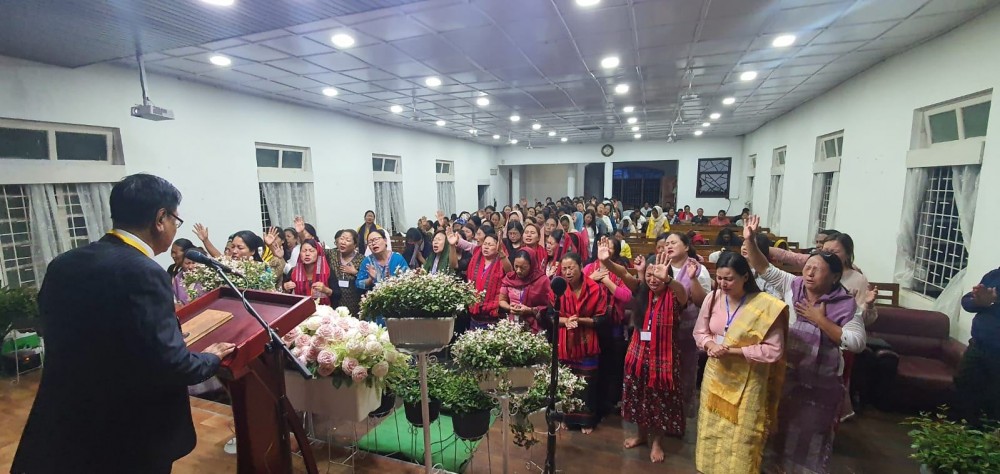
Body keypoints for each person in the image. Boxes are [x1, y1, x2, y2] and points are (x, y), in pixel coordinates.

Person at [13, 174, 235, 473]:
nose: (173, 229)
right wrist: (211, 357)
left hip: (66, 422)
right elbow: (173, 364)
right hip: (128, 432)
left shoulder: (64, 263)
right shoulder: (144, 272)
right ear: (160, 218)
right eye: (175, 221)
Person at [742, 216, 866, 474]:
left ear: (833, 277)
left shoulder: (844, 303)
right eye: (807, 267)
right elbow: (764, 268)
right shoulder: (793, 284)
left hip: (819, 383)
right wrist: (749, 240)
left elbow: (856, 342)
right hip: (787, 371)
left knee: (810, 431)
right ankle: (775, 466)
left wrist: (821, 320)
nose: (809, 273)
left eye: (816, 269)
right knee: (780, 423)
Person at [694, 252, 788, 474]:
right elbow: (700, 331)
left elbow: (774, 350)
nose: (723, 284)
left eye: (729, 279)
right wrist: (709, 345)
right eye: (720, 278)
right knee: (711, 429)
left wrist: (733, 351)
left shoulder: (765, 306)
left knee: (742, 436)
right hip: (716, 374)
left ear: (745, 277)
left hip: (749, 381)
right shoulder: (713, 298)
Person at [602, 249, 689, 463]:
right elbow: (624, 275)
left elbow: (684, 293)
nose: (653, 279)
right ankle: (641, 435)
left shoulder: (675, 295)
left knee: (659, 401)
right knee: (638, 398)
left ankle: (657, 441)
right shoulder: (643, 291)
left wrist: (667, 278)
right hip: (637, 355)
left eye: (657, 275)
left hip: (664, 360)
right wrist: (607, 261)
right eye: (649, 274)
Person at [661, 232, 711, 431]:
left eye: (674, 243)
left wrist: (693, 280)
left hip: (687, 328)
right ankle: (662, 417)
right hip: (662, 327)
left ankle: (678, 419)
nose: (669, 246)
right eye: (666, 244)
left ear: (686, 247)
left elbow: (702, 301)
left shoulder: (698, 269)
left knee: (684, 373)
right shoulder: (660, 263)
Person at [556, 252, 608, 433]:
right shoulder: (558, 287)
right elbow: (550, 315)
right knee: (567, 382)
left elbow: (602, 318)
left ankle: (586, 421)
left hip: (588, 340)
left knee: (587, 383)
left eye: (571, 268)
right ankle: (567, 419)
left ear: (580, 266)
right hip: (565, 341)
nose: (568, 272)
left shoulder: (595, 288)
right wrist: (566, 321)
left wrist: (580, 320)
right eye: (564, 269)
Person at [586, 238, 633, 417]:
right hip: (591, 324)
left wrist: (606, 280)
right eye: (602, 246)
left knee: (611, 367)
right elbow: (577, 288)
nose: (605, 249)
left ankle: (609, 402)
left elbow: (626, 297)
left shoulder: (619, 271)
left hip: (613, 327)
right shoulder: (589, 268)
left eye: (610, 247)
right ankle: (594, 403)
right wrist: (593, 278)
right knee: (593, 366)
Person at [955, 269, 1000, 427]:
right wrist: (978, 301)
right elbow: (967, 301)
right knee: (964, 386)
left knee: (993, 401)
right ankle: (964, 434)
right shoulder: (994, 275)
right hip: (978, 347)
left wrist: (995, 299)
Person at [459, 231, 510, 330]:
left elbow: (510, 273)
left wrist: (502, 254)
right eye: (485, 244)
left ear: (498, 247)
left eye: (490, 245)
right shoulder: (476, 257)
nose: (486, 247)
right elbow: (464, 244)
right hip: (474, 314)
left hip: (492, 317)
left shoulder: (501, 261)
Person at [356, 229, 408, 324]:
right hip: (376, 309)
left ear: (385, 240)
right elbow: (359, 284)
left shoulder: (397, 258)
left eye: (376, 239)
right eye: (370, 242)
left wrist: (392, 280)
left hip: (396, 307)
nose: (373, 243)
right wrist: (370, 280)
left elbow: (408, 280)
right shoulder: (367, 261)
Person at [498, 249, 551, 333]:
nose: (518, 270)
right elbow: (502, 300)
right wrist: (509, 307)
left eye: (523, 268)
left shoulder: (542, 281)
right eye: (516, 266)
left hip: (534, 327)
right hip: (512, 324)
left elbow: (548, 307)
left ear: (532, 265)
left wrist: (529, 310)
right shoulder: (510, 278)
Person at [283, 239, 332, 305]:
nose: (307, 254)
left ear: (318, 253)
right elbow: (286, 294)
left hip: (322, 311)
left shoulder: (327, 271)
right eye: (304, 251)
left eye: (311, 251)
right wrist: (286, 288)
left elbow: (337, 294)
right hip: (300, 309)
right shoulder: (294, 271)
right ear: (300, 254)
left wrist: (326, 290)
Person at [329, 229, 364, 316]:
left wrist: (355, 272)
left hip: (354, 304)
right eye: (342, 238)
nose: (343, 242)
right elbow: (313, 249)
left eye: (348, 240)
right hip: (334, 302)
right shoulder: (331, 254)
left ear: (355, 245)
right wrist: (301, 233)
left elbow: (367, 281)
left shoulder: (362, 259)